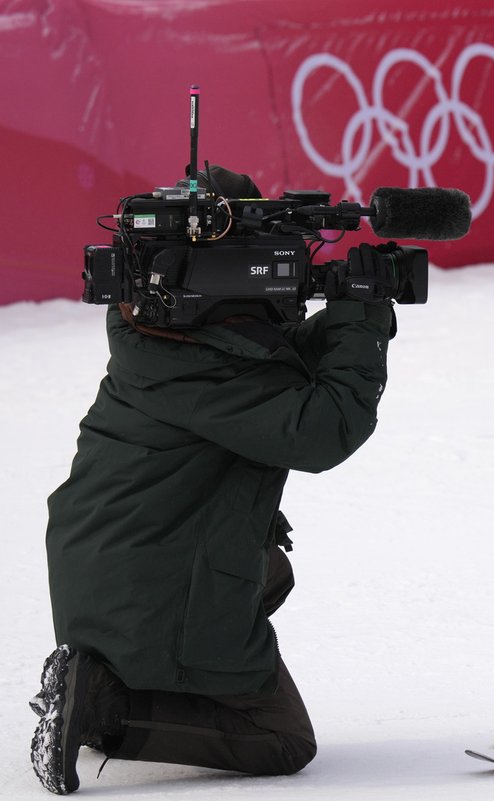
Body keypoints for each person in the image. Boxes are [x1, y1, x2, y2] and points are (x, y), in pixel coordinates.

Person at [31, 167, 400, 795]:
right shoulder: (201, 369)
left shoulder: (167, 340)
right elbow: (322, 430)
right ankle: (106, 706)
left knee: (268, 569)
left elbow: (275, 363)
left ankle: (125, 679)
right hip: (147, 585)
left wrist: (350, 303)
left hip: (110, 571)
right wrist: (362, 315)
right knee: (282, 740)